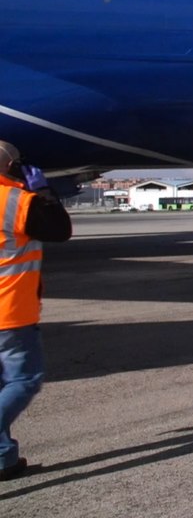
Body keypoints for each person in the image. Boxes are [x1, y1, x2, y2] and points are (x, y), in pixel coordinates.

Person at [0, 140, 72, 481]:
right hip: (10, 313)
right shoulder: (14, 202)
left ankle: (3, 460)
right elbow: (60, 229)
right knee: (25, 379)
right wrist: (44, 191)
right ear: (11, 167)